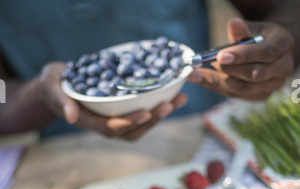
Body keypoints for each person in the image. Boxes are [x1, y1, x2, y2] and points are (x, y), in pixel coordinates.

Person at [0, 0, 298, 140]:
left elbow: (284, 8)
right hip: (65, 161)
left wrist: (278, 47)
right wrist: (37, 93)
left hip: (205, 137)